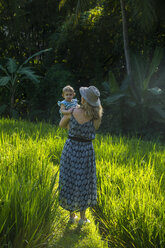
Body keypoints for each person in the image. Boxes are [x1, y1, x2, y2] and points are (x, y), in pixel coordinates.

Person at [59, 85, 103, 225]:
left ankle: (72, 216)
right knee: (84, 182)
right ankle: (83, 218)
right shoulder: (96, 117)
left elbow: (61, 125)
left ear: (83, 99)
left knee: (70, 179)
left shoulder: (72, 111)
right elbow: (94, 129)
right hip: (86, 151)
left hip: (71, 148)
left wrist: (69, 119)